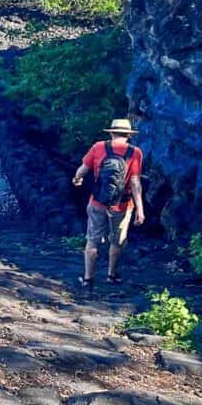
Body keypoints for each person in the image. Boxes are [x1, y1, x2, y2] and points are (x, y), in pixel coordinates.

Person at [71, 118, 145, 287]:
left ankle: (88, 278)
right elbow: (135, 183)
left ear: (111, 132)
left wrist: (77, 179)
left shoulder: (99, 147)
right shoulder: (135, 152)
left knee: (93, 240)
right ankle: (111, 275)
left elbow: (83, 169)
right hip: (123, 205)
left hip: (97, 203)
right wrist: (140, 210)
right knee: (117, 241)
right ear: (128, 135)